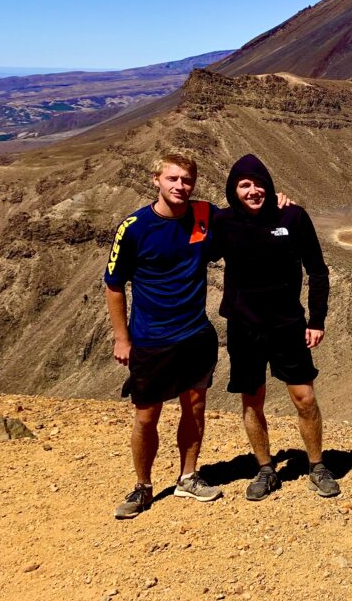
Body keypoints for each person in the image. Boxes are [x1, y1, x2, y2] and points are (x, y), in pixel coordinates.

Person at [213, 154, 339, 500]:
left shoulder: (293, 216)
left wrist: (317, 320)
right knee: (252, 401)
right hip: (243, 326)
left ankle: (317, 465)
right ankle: (266, 469)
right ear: (233, 190)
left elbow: (318, 271)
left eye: (259, 184)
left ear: (269, 186)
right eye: (244, 185)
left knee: (305, 397)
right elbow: (192, 240)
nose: (253, 191)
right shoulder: (223, 222)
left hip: (287, 325)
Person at [105, 152, 222, 518]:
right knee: (146, 417)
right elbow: (113, 285)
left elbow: (249, 221)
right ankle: (143, 486)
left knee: (195, 407)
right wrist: (121, 338)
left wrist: (280, 205)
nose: (180, 187)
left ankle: (188, 476)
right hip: (151, 340)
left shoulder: (204, 215)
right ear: (156, 179)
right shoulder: (135, 227)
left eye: (187, 180)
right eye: (172, 179)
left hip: (194, 334)